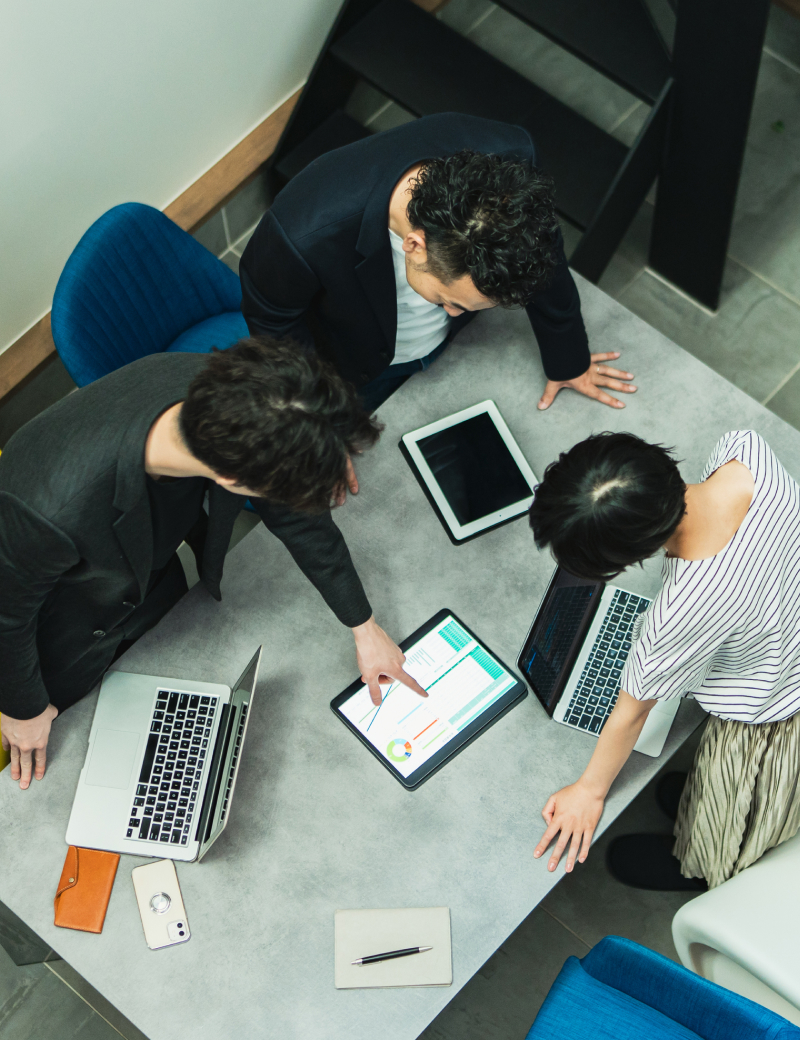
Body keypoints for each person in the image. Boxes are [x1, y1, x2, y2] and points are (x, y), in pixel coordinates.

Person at [0, 338, 426, 791]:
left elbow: (301, 522)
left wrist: (364, 627)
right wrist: (23, 708)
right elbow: (7, 618)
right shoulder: (47, 509)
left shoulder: (233, 399)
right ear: (231, 479)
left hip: (148, 578)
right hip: (56, 641)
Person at [528, 429, 800, 890]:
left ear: (628, 556)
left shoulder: (679, 614)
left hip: (775, 711)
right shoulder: (746, 453)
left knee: (734, 805)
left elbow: (632, 713)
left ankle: (699, 863)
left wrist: (589, 791)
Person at [240, 113, 636, 415]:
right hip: (353, 362)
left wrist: (568, 357)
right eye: (449, 300)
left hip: (447, 351)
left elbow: (539, 253)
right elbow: (275, 323)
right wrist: (320, 419)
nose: (452, 312)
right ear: (414, 244)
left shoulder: (510, 161)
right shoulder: (300, 234)